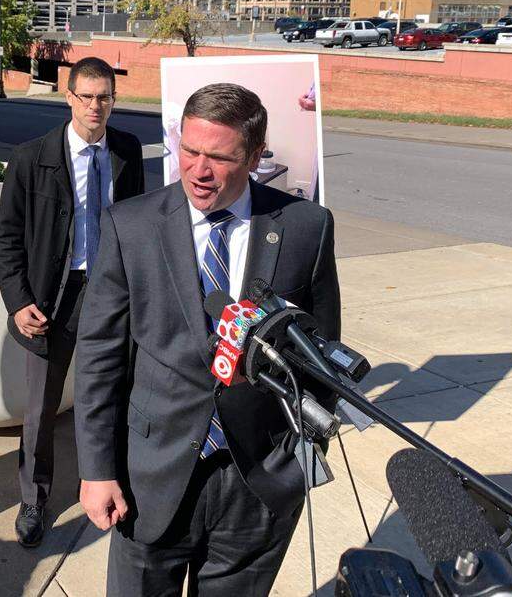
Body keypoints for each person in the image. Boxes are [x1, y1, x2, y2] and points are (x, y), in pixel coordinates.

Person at [75, 82, 341, 595]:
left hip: (259, 481)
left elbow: (321, 356)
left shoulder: (306, 227)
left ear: (255, 156)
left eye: (219, 157)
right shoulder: (131, 225)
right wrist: (96, 469)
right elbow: (99, 359)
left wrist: (300, 456)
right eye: (190, 150)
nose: (198, 170)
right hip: (151, 476)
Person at [0, 57, 145, 548]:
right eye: (87, 96)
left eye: (104, 97)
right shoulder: (31, 157)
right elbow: (7, 238)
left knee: (113, 391)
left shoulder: (127, 151)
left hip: (112, 293)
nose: (96, 106)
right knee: (40, 407)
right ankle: (34, 501)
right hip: (55, 297)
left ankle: (110, 482)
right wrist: (18, 302)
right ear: (69, 97)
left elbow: (138, 224)